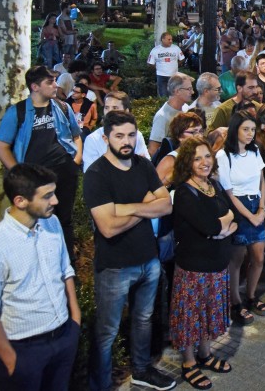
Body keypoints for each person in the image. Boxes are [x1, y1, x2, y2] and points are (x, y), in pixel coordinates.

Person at [83, 111, 175, 391]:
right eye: (119, 136)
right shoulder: (96, 174)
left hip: (149, 259)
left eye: (131, 135)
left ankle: (142, 370)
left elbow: (166, 205)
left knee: (143, 319)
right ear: (105, 137)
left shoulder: (143, 165)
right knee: (107, 332)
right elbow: (108, 228)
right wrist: (144, 205)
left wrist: (127, 207)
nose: (127, 141)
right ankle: (99, 385)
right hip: (115, 265)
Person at [0, 164, 81, 391]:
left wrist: (75, 320)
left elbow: (65, 270)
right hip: (23, 350)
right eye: (47, 196)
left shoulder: (52, 223)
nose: (56, 201)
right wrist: (11, 360)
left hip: (63, 337)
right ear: (20, 201)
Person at [169, 137, 236, 390]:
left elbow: (234, 216)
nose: (204, 162)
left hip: (217, 265)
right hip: (194, 269)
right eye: (197, 158)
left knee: (208, 313)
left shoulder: (214, 186)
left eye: (207, 156)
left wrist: (223, 227)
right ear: (187, 162)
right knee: (190, 317)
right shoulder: (185, 192)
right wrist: (222, 224)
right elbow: (209, 225)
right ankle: (188, 363)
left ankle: (205, 355)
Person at [0, 65, 83, 259]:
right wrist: (19, 172)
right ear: (35, 87)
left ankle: (68, 264)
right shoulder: (17, 112)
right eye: (49, 82)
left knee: (64, 219)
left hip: (65, 172)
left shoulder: (62, 106)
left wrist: (76, 160)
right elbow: (2, 145)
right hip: (35, 179)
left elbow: (76, 136)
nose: (55, 85)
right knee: (36, 220)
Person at [216, 111, 265, 325]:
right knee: (236, 259)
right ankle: (235, 302)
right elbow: (228, 193)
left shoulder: (255, 151)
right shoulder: (223, 155)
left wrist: (262, 208)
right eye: (245, 129)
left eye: (253, 130)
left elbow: (262, 181)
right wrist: (250, 215)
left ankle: (251, 296)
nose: (250, 134)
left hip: (257, 204)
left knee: (258, 258)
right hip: (238, 208)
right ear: (235, 129)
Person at [81, 91, 150, 171]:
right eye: (106, 107)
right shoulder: (92, 139)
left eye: (115, 108)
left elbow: (146, 166)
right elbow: (90, 172)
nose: (109, 112)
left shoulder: (137, 135)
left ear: (126, 111)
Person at [148, 73, 194, 157]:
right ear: (177, 91)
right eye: (189, 89)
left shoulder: (186, 109)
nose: (192, 92)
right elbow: (152, 150)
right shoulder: (162, 117)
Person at [147, 33, 185, 97]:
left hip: (174, 76)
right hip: (161, 76)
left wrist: (176, 65)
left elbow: (182, 58)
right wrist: (158, 68)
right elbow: (149, 63)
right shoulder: (155, 50)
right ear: (163, 39)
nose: (171, 41)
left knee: (174, 95)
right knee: (163, 96)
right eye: (169, 39)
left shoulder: (176, 48)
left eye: (171, 39)